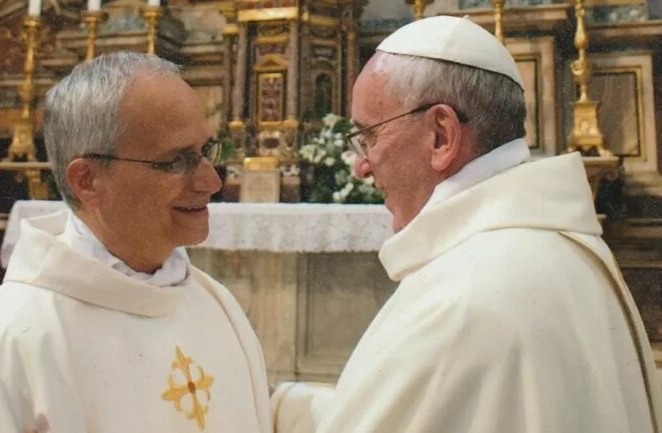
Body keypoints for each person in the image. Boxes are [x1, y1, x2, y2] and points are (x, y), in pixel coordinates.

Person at [271, 16, 662, 433]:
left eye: (370, 136)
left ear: (441, 135)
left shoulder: (456, 301)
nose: (362, 166)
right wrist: (284, 408)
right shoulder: (574, 251)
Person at [0, 52, 271, 433]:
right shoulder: (6, 340)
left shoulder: (217, 305)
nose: (211, 182)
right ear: (87, 180)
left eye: (205, 152)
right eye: (177, 161)